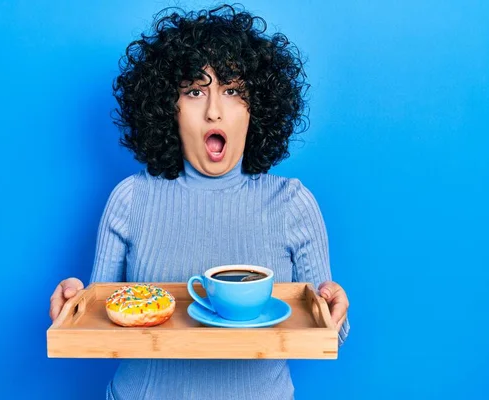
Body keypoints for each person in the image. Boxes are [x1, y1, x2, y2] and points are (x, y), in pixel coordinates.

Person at [49, 4, 350, 399]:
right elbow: (104, 316)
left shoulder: (292, 202)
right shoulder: (130, 198)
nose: (213, 111)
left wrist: (335, 305)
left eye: (232, 91)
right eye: (194, 91)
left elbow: (331, 332)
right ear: (167, 109)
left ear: (255, 108)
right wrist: (75, 302)